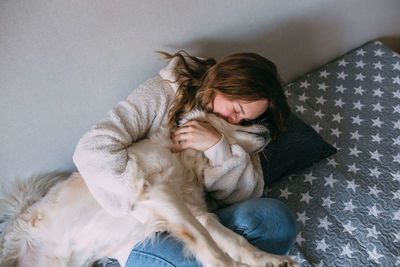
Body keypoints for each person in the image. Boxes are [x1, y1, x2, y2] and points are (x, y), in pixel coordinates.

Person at [73, 51, 297, 267]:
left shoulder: (237, 130)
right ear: (222, 84)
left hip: (206, 221)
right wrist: (158, 208)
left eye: (245, 118)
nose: (235, 119)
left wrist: (217, 147)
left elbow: (246, 197)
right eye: (236, 109)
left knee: (276, 219)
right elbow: (91, 149)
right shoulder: (164, 92)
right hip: (145, 230)